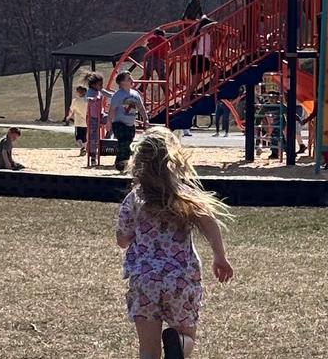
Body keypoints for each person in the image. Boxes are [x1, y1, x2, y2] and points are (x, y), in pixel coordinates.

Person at [116, 127, 233, 359]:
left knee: (148, 351)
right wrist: (219, 256)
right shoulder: (185, 195)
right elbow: (210, 223)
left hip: (145, 277)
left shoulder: (135, 199)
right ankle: (179, 344)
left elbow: (122, 239)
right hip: (181, 277)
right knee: (186, 336)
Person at [110, 73, 145, 172]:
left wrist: (145, 119)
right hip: (119, 123)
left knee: (127, 143)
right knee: (124, 143)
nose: (131, 79)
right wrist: (109, 122)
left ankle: (123, 164)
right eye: (128, 78)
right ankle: (120, 165)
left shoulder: (135, 94)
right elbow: (112, 109)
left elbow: (141, 108)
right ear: (122, 82)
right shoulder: (118, 95)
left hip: (130, 124)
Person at [85, 72, 106, 168]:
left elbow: (107, 94)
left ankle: (107, 138)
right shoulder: (90, 91)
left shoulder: (100, 91)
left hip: (100, 115)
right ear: (94, 85)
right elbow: (86, 99)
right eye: (100, 85)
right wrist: (93, 99)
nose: (101, 86)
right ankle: (93, 156)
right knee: (93, 137)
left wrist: (115, 94)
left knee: (113, 121)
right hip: (93, 117)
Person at [67, 85, 89, 156]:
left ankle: (82, 148)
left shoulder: (75, 101)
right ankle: (84, 148)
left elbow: (71, 110)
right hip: (86, 122)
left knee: (78, 138)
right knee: (84, 138)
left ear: (78, 92)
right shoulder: (87, 101)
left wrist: (69, 116)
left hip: (78, 122)